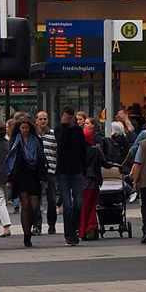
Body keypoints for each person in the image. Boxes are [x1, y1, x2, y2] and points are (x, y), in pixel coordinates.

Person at [4, 114, 47, 247]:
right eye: (23, 128)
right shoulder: (15, 141)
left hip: (34, 176)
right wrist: (10, 179)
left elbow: (41, 158)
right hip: (21, 176)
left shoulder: (36, 140)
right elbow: (12, 160)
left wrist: (42, 177)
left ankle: (31, 225)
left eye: (27, 127)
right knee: (25, 204)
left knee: (34, 207)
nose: (25, 130)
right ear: (19, 128)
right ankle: (26, 235)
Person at [55, 104, 87, 246]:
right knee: (67, 205)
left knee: (78, 203)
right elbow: (61, 144)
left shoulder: (79, 131)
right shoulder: (58, 129)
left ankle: (74, 229)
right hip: (62, 170)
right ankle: (69, 233)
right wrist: (63, 126)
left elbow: (82, 152)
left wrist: (84, 171)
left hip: (76, 170)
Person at [80, 136, 110, 241]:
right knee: (93, 207)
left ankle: (83, 230)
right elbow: (105, 163)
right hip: (94, 181)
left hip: (82, 182)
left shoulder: (78, 150)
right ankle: (92, 226)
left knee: (83, 208)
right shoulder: (96, 150)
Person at [33, 110, 59, 235]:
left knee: (52, 199)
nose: (43, 121)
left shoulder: (53, 135)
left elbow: (57, 151)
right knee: (36, 199)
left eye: (45, 119)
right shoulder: (33, 135)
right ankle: (37, 225)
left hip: (51, 170)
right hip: (36, 172)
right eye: (40, 119)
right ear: (36, 120)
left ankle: (52, 224)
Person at [0, 122, 11, 237]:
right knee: (2, 199)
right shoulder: (9, 144)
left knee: (0, 201)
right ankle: (0, 225)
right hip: (8, 176)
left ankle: (6, 226)